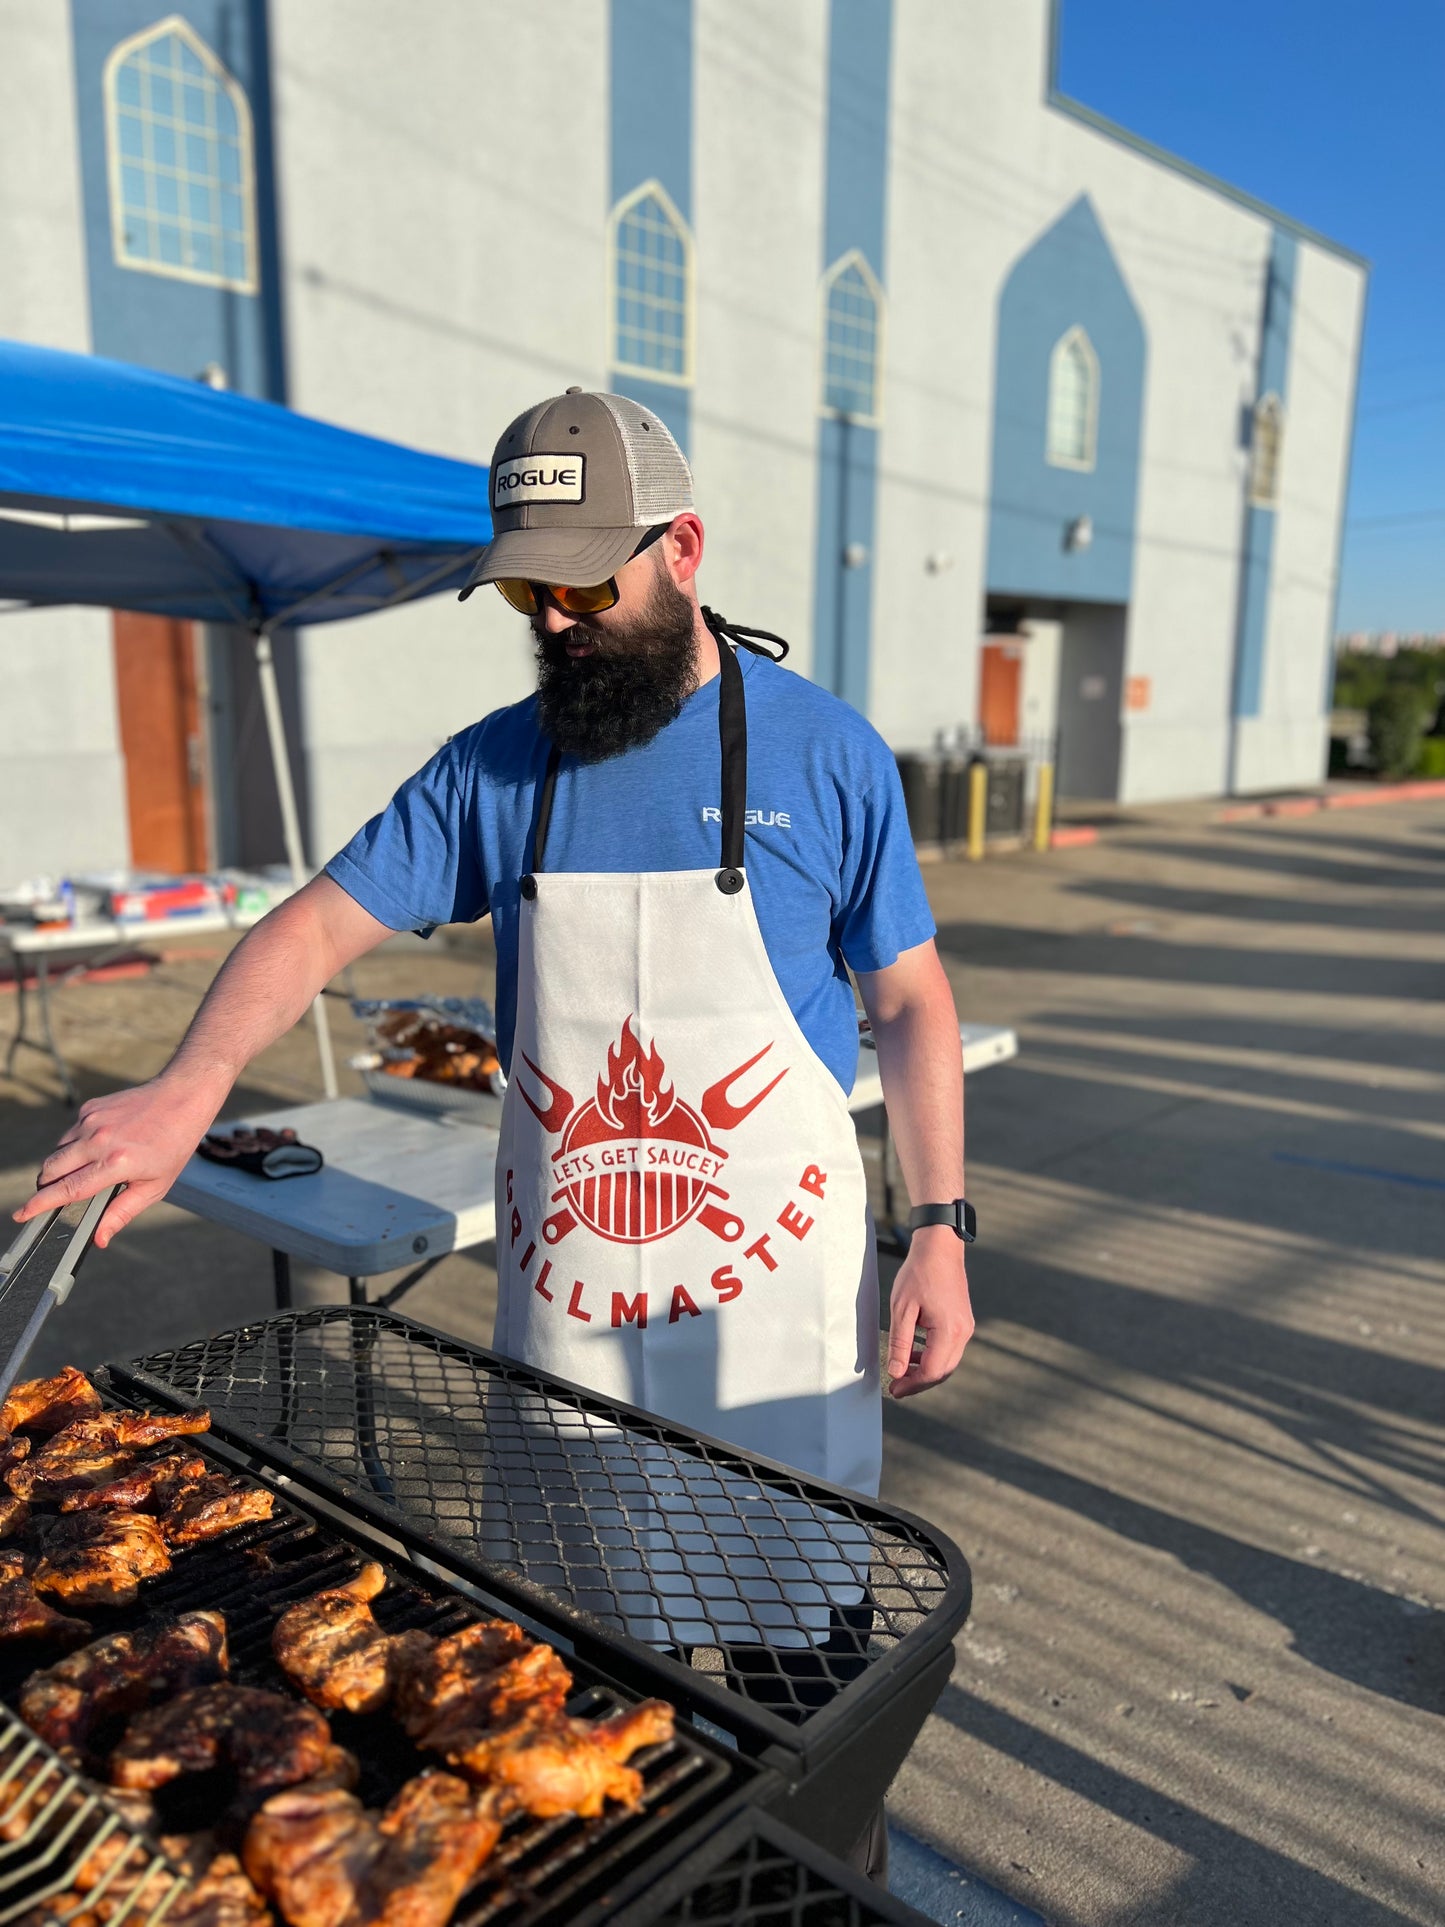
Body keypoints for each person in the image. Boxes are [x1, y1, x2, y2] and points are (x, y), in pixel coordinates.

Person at [18, 389, 974, 1879]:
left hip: (774, 1311)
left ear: (687, 548)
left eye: (588, 580)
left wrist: (939, 1231)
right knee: (571, 1677)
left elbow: (912, 1005)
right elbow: (316, 924)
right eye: (531, 589)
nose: (559, 618)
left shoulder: (823, 755)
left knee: (806, 1663)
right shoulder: (492, 768)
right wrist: (191, 1087)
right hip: (574, 1315)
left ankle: (813, 1880)